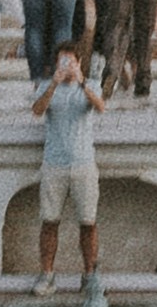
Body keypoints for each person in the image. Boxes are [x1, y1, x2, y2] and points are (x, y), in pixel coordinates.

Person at [32, 40, 106, 290]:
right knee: (49, 221)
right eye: (63, 61)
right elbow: (37, 110)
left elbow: (100, 107)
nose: (67, 65)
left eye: (71, 61)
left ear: (79, 62)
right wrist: (54, 82)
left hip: (83, 163)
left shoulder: (91, 84)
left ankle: (89, 275)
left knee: (88, 221)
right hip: (54, 163)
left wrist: (81, 81)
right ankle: (47, 274)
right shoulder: (46, 86)